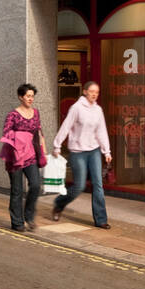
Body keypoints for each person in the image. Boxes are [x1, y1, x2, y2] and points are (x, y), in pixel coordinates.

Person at [51, 80, 113, 230]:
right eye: (91, 91)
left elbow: (101, 131)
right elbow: (66, 126)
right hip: (78, 152)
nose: (94, 94)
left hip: (94, 151)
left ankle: (101, 219)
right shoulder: (76, 108)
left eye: (97, 92)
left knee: (98, 185)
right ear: (85, 91)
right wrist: (57, 145)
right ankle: (60, 203)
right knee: (79, 186)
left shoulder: (98, 110)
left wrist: (106, 151)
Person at [0, 83, 47, 232]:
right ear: (21, 97)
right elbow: (6, 133)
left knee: (35, 185)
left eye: (32, 96)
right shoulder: (12, 115)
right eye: (28, 96)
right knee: (17, 190)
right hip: (14, 156)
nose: (30, 98)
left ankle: (29, 215)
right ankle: (17, 222)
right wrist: (20, 140)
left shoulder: (36, 113)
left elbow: (39, 132)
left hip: (31, 155)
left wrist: (43, 150)